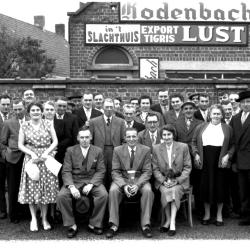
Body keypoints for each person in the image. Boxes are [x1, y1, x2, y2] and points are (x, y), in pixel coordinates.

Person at [57, 127, 108, 238]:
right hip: (75, 180)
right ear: (78, 138)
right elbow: (66, 170)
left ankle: (94, 224)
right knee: (62, 196)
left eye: (86, 137)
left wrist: (91, 184)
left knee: (103, 195)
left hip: (91, 180)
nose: (84, 140)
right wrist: (71, 186)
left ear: (91, 138)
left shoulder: (97, 150)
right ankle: (71, 225)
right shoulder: (70, 150)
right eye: (82, 137)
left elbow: (101, 170)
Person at [18, 102, 59, 232]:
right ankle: (34, 219)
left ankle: (44, 218)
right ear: (29, 112)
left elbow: (55, 141)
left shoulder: (48, 124)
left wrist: (46, 153)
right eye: (33, 110)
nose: (35, 112)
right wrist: (31, 153)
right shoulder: (24, 125)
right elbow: (20, 144)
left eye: (37, 110)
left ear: (41, 112)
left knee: (45, 189)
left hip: (46, 159)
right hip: (32, 159)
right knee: (32, 188)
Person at [106, 128, 154, 239]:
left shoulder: (146, 149)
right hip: (123, 178)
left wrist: (138, 185)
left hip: (139, 179)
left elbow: (147, 171)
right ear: (125, 138)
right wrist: (124, 185)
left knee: (148, 191)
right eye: (129, 137)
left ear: (137, 137)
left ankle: (145, 225)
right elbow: (115, 171)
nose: (131, 139)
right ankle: (113, 225)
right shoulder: (117, 150)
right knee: (113, 190)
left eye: (133, 136)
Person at [192, 104, 234, 226]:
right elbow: (193, 142)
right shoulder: (200, 127)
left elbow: (233, 144)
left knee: (220, 187)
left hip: (220, 161)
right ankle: (207, 214)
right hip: (205, 160)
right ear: (209, 115)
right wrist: (196, 154)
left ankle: (219, 215)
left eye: (218, 113)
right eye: (214, 113)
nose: (216, 116)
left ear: (222, 115)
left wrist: (228, 156)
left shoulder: (227, 128)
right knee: (206, 187)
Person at [152, 124, 191, 236]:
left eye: (169, 134)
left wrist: (177, 180)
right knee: (165, 191)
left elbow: (188, 167)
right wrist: (163, 181)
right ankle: (168, 220)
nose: (166, 137)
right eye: (164, 135)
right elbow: (155, 168)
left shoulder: (183, 147)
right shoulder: (156, 148)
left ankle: (172, 222)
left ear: (173, 135)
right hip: (163, 180)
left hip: (179, 180)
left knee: (173, 191)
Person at [89, 98, 126, 188]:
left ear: (114, 108)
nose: (109, 109)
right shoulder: (94, 121)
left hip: (115, 152)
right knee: (101, 175)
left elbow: (124, 140)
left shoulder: (120, 121)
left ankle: (113, 197)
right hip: (99, 152)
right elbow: (90, 140)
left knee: (113, 175)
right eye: (107, 107)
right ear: (103, 107)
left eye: (111, 107)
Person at [0, 99, 26, 223]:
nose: (17, 111)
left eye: (19, 109)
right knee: (13, 187)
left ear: (24, 108)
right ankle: (14, 214)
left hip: (28, 158)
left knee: (27, 186)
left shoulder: (31, 121)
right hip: (13, 159)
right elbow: (2, 142)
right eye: (15, 109)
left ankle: (25, 212)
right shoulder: (8, 123)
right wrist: (6, 155)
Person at [175, 101, 202, 216]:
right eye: (186, 108)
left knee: (197, 182)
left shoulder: (200, 123)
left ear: (194, 109)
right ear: (182, 110)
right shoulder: (176, 123)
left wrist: (198, 154)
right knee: (182, 181)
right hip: (181, 157)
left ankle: (199, 210)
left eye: (191, 108)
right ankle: (181, 210)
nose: (188, 110)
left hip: (195, 155)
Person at [230, 90, 250, 225]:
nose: (246, 104)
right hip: (240, 161)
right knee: (243, 189)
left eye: (248, 102)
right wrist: (233, 160)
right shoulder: (235, 118)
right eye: (243, 102)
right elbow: (233, 141)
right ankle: (246, 214)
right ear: (240, 104)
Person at [0, 94, 12, 219]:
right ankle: (2, 210)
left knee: (13, 184)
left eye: (8, 104)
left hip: (12, 156)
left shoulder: (14, 117)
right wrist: (3, 152)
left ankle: (14, 210)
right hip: (0, 156)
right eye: (3, 104)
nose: (6, 106)